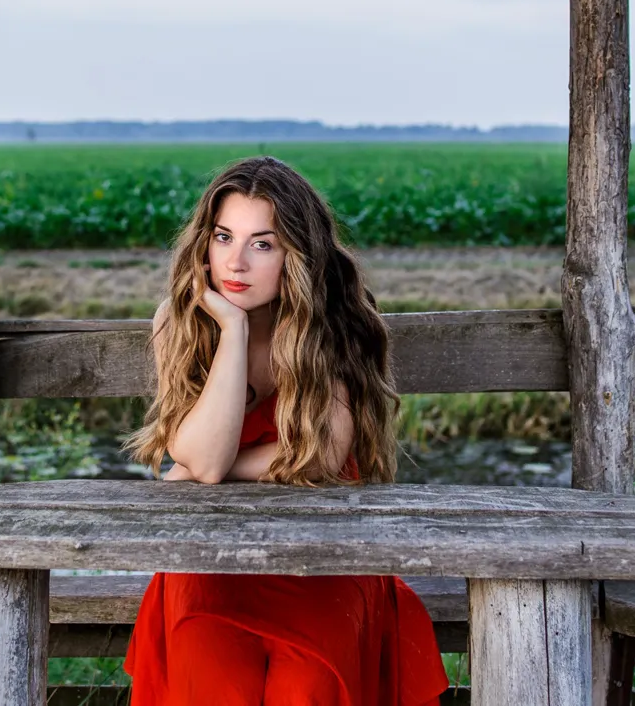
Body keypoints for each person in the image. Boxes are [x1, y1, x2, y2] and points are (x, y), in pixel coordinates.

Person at [121, 156, 449, 705]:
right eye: (224, 237)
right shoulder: (180, 320)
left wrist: (219, 468)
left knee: (311, 686)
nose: (236, 262)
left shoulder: (335, 317)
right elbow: (200, 458)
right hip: (210, 555)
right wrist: (230, 328)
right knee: (211, 673)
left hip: (320, 553)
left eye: (262, 244)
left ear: (296, 254)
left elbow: (319, 457)